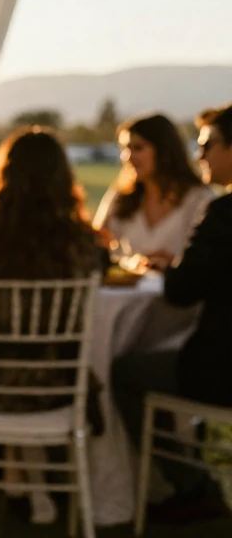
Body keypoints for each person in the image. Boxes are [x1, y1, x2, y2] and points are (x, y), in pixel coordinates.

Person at [0, 127, 106, 524]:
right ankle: (29, 482)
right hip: (55, 387)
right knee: (29, 352)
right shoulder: (86, 247)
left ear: (1, 176)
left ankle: (17, 479)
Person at [111, 103, 232, 524]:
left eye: (208, 145)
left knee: (123, 370)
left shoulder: (223, 213)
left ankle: (190, 485)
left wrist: (174, 268)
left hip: (218, 368)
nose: (201, 155)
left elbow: (181, 292)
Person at [93, 113, 213, 268]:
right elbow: (96, 245)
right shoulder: (120, 197)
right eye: (125, 148)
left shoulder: (199, 199)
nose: (128, 157)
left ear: (163, 150)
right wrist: (131, 263)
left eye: (138, 148)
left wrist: (172, 265)